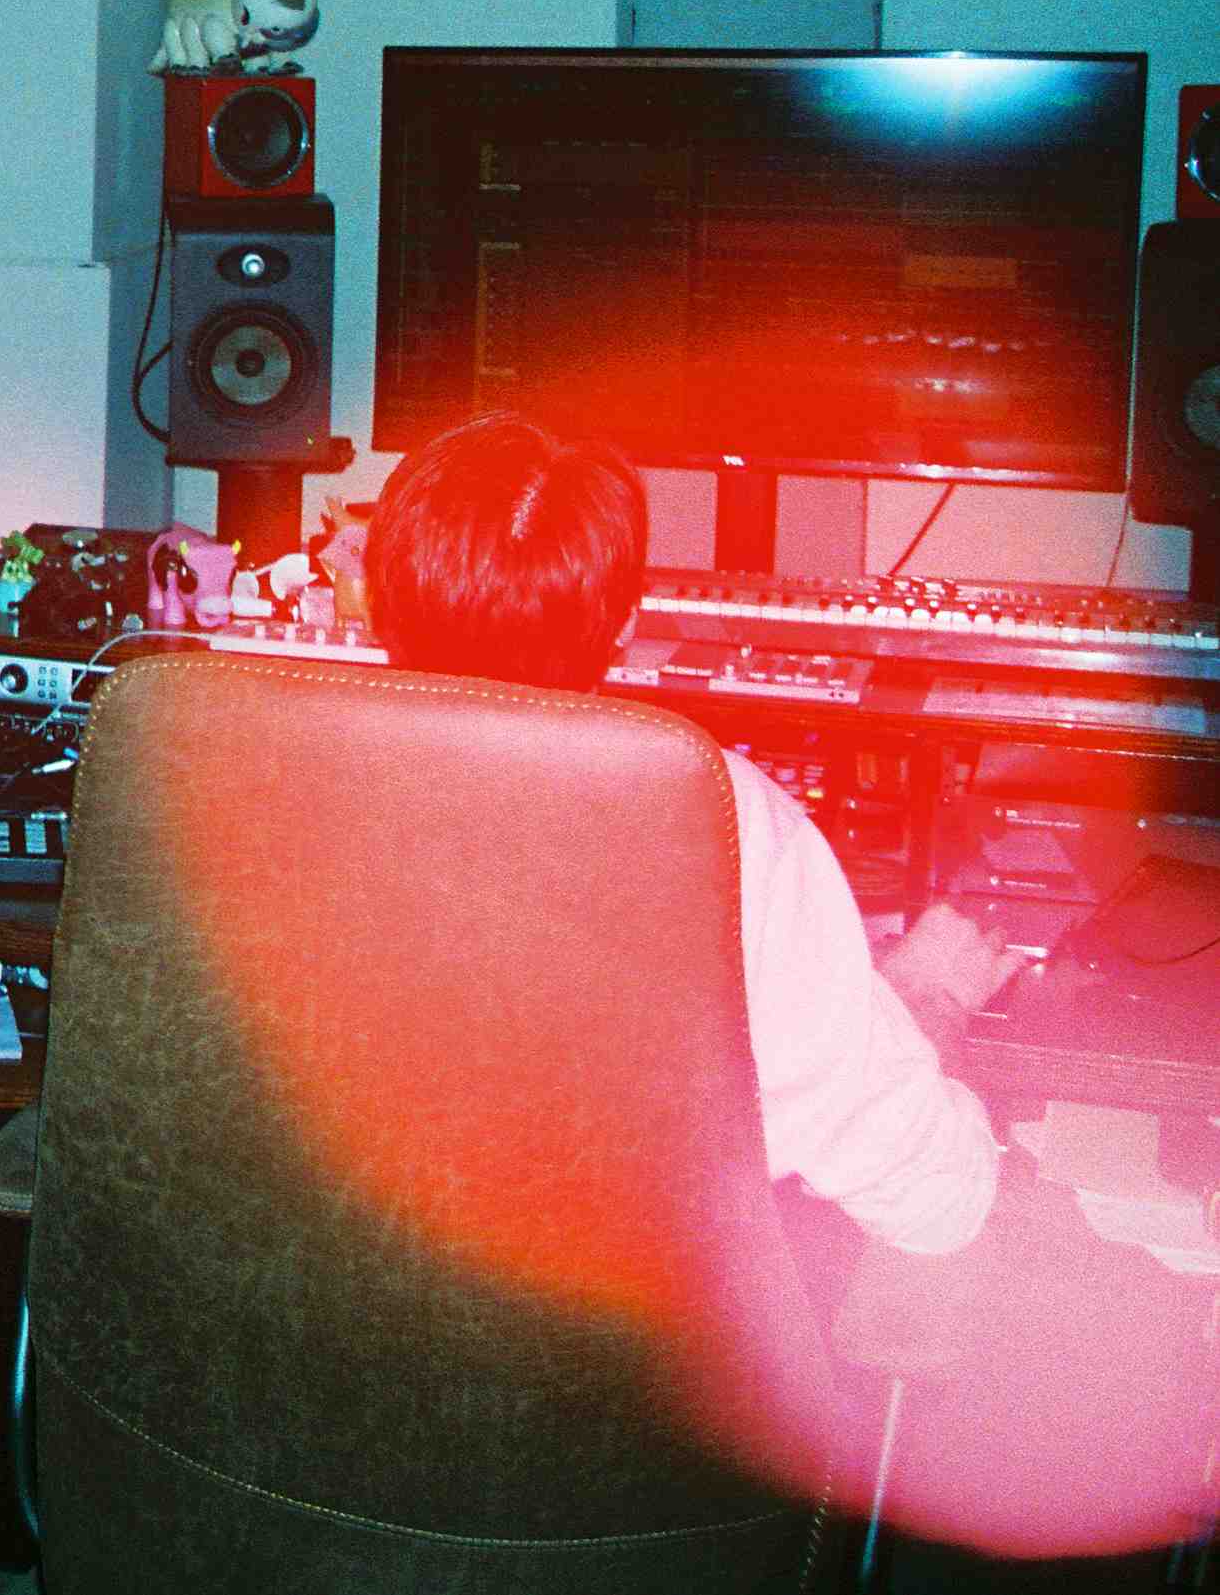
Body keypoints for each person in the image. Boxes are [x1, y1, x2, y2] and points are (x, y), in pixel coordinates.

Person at [363, 412, 1218, 1560]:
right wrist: (926, 1001)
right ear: (620, 626)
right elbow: (926, 1189)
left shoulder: (248, 797)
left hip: (312, 1406)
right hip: (617, 1444)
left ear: (373, 607)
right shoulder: (715, 820)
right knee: (1134, 1301)